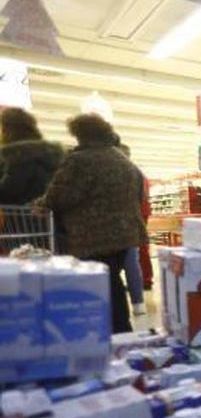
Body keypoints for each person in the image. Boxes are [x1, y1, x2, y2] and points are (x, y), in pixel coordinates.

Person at [35, 114, 147, 334]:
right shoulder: (121, 158)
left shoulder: (80, 160)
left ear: (79, 134)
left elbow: (63, 195)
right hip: (125, 233)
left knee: (98, 283)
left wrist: (41, 203)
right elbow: (138, 193)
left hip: (93, 234)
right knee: (112, 280)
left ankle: (104, 332)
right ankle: (121, 329)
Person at [115, 139, 151, 316]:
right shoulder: (138, 173)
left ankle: (117, 304)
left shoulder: (111, 171)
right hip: (132, 223)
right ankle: (138, 303)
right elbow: (142, 199)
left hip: (113, 223)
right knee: (132, 262)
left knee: (112, 265)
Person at [0, 107, 64, 205]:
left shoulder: (21, 154)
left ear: (8, 130)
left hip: (20, 213)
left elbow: (11, 189)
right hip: (37, 213)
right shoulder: (46, 153)